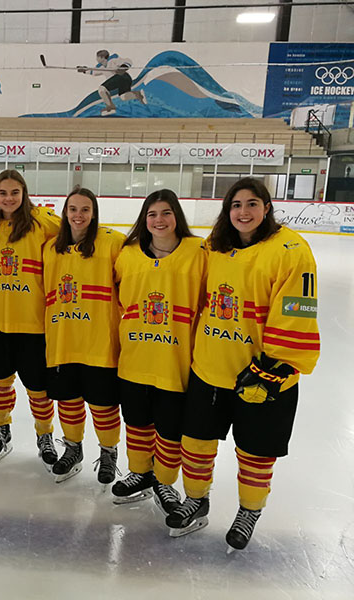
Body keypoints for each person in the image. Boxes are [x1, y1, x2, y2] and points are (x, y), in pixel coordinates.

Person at [166, 177, 320, 551]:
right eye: (236, 205)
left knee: (255, 449)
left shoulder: (291, 250)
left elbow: (298, 312)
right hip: (210, 368)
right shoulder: (214, 248)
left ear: (266, 208)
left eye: (252, 204)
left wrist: (274, 368)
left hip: (261, 375)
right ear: (227, 210)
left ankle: (249, 510)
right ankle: (196, 499)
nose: (244, 212)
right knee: (196, 442)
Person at [111, 189, 206, 514]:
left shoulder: (198, 251)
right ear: (144, 219)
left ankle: (164, 481)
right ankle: (140, 472)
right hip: (135, 359)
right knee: (137, 422)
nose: (159, 220)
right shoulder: (127, 254)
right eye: (152, 214)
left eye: (166, 213)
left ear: (177, 215)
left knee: (169, 428)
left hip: (175, 362)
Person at [42, 186, 126, 483]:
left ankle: (108, 452)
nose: (79, 215)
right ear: (65, 212)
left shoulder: (113, 242)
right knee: (68, 401)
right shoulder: (51, 248)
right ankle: (73, 448)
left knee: (103, 405)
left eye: (85, 209)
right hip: (63, 340)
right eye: (73, 209)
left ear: (94, 212)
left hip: (99, 343)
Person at [0, 170, 60, 465]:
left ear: (25, 194)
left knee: (39, 388)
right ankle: (1, 429)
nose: (9, 198)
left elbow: (73, 238)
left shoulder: (42, 222)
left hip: (32, 323)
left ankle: (45, 433)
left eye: (15, 192)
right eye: (3, 193)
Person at [78, 50, 146, 116]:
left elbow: (128, 61)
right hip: (119, 81)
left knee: (102, 89)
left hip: (122, 77)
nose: (96, 59)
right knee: (123, 97)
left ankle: (110, 108)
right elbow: (93, 72)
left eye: (97, 57)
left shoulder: (113, 60)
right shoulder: (100, 67)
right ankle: (139, 94)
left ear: (102, 57)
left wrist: (123, 67)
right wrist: (84, 70)